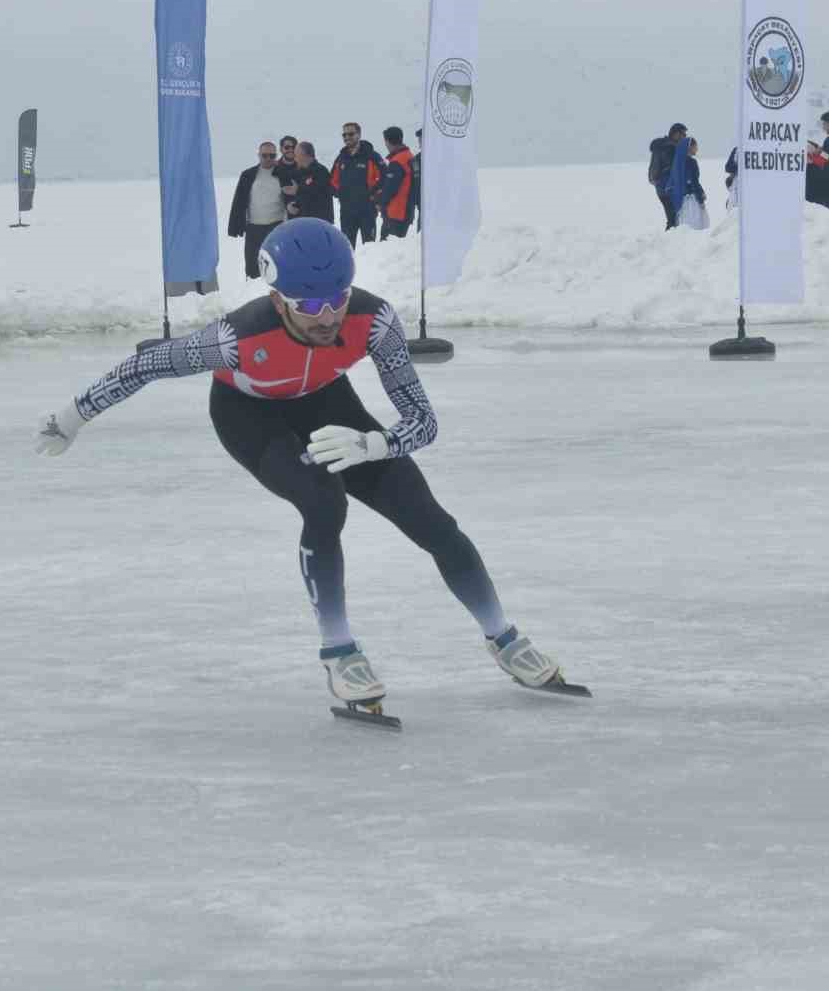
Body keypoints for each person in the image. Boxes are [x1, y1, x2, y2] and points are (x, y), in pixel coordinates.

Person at [33, 218, 572, 716]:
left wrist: (376, 444)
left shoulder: (374, 321)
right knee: (323, 502)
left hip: (326, 405)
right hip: (250, 415)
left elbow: (423, 422)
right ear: (276, 298)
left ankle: (504, 638)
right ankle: (340, 652)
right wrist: (71, 417)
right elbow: (145, 365)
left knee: (432, 521)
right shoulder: (235, 339)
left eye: (337, 299)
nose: (327, 316)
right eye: (308, 305)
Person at [228, 141, 288, 279]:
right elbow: (239, 201)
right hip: (254, 227)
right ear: (259, 155)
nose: (268, 159)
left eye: (272, 156)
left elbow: (291, 199)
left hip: (276, 226)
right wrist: (235, 226)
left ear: (276, 156)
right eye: (264, 155)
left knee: (277, 265)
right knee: (253, 268)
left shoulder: (284, 173)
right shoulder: (248, 174)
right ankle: (252, 289)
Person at [331, 122, 384, 249]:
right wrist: (340, 193)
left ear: (359, 135)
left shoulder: (371, 156)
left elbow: (384, 178)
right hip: (347, 211)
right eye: (344, 135)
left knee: (370, 248)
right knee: (347, 248)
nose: (347, 137)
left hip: (367, 210)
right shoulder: (341, 158)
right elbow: (332, 180)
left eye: (350, 134)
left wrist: (374, 196)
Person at [375, 126, 415, 239]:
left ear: (387, 141)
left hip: (395, 213)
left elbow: (390, 189)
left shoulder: (397, 162)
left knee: (387, 246)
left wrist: (380, 202)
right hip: (406, 211)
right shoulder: (410, 156)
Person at [647, 123, 687, 230]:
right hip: (667, 187)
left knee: (672, 218)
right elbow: (673, 169)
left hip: (661, 187)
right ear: (676, 134)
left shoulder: (663, 146)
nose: (684, 137)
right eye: (683, 134)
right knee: (673, 219)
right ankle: (669, 238)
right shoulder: (669, 148)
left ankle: (669, 237)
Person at [285, 142, 335, 223]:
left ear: (304, 155)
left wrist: (298, 190)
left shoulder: (321, 171)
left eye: (296, 155)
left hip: (320, 221)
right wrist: (292, 205)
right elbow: (299, 196)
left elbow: (318, 194)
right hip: (303, 220)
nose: (295, 158)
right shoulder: (298, 172)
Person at [665, 137, 708, 230]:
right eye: (695, 146)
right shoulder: (692, 162)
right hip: (692, 202)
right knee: (696, 227)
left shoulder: (677, 163)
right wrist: (700, 200)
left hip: (682, 203)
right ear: (690, 147)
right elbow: (694, 182)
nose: (697, 149)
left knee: (684, 228)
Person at [410, 128, 422, 232]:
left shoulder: (441, 159)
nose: (420, 142)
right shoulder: (416, 160)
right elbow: (413, 183)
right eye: (420, 139)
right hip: (422, 206)